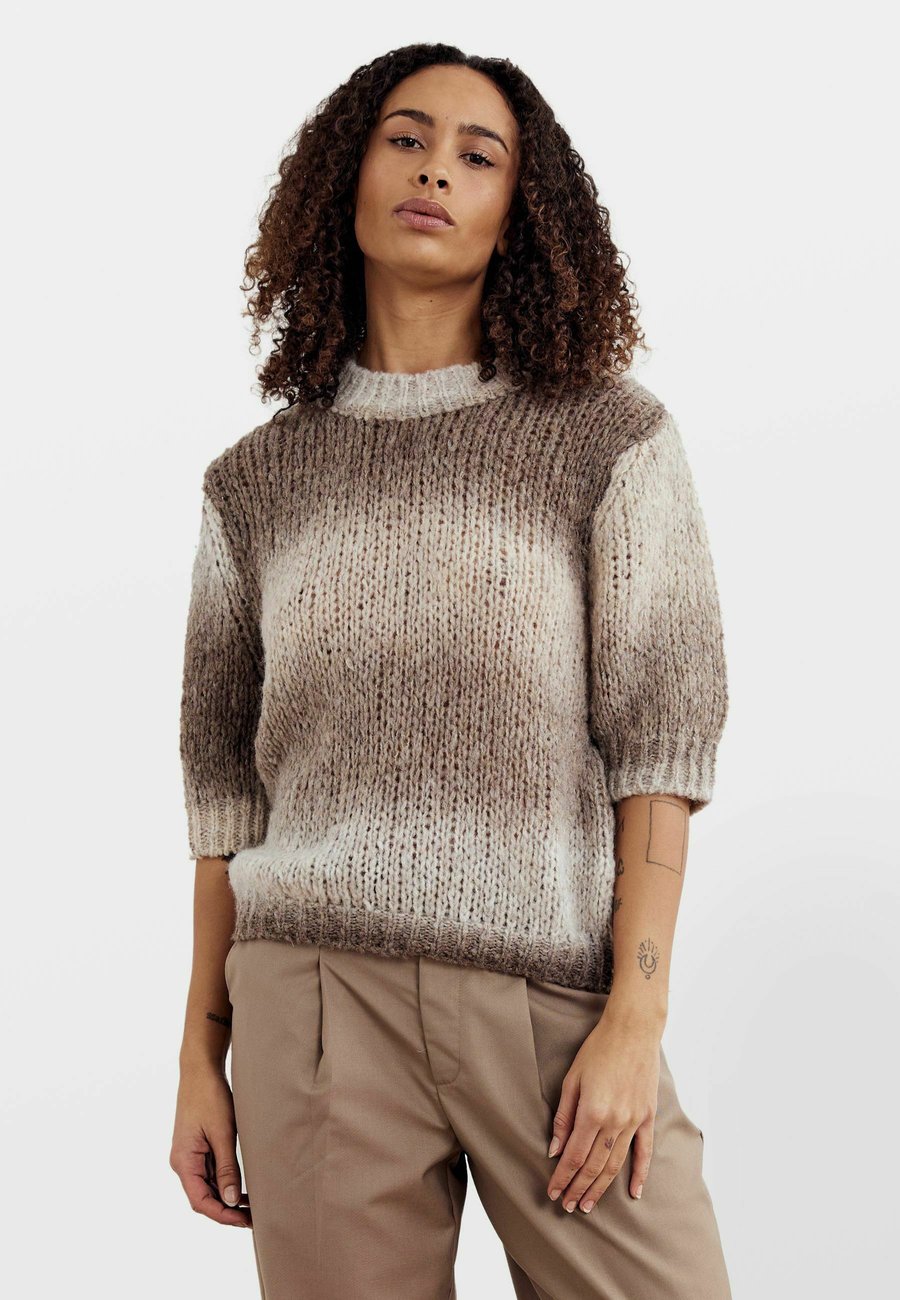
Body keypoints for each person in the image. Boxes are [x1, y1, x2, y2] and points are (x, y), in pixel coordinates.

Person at [169, 42, 733, 1300]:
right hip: (313, 1008)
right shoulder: (254, 483)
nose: (436, 170)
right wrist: (201, 1055)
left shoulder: (608, 439)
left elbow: (660, 745)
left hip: (552, 1005)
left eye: (480, 156)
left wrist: (634, 1023)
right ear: (346, 178)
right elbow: (223, 800)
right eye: (407, 139)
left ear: (521, 211)